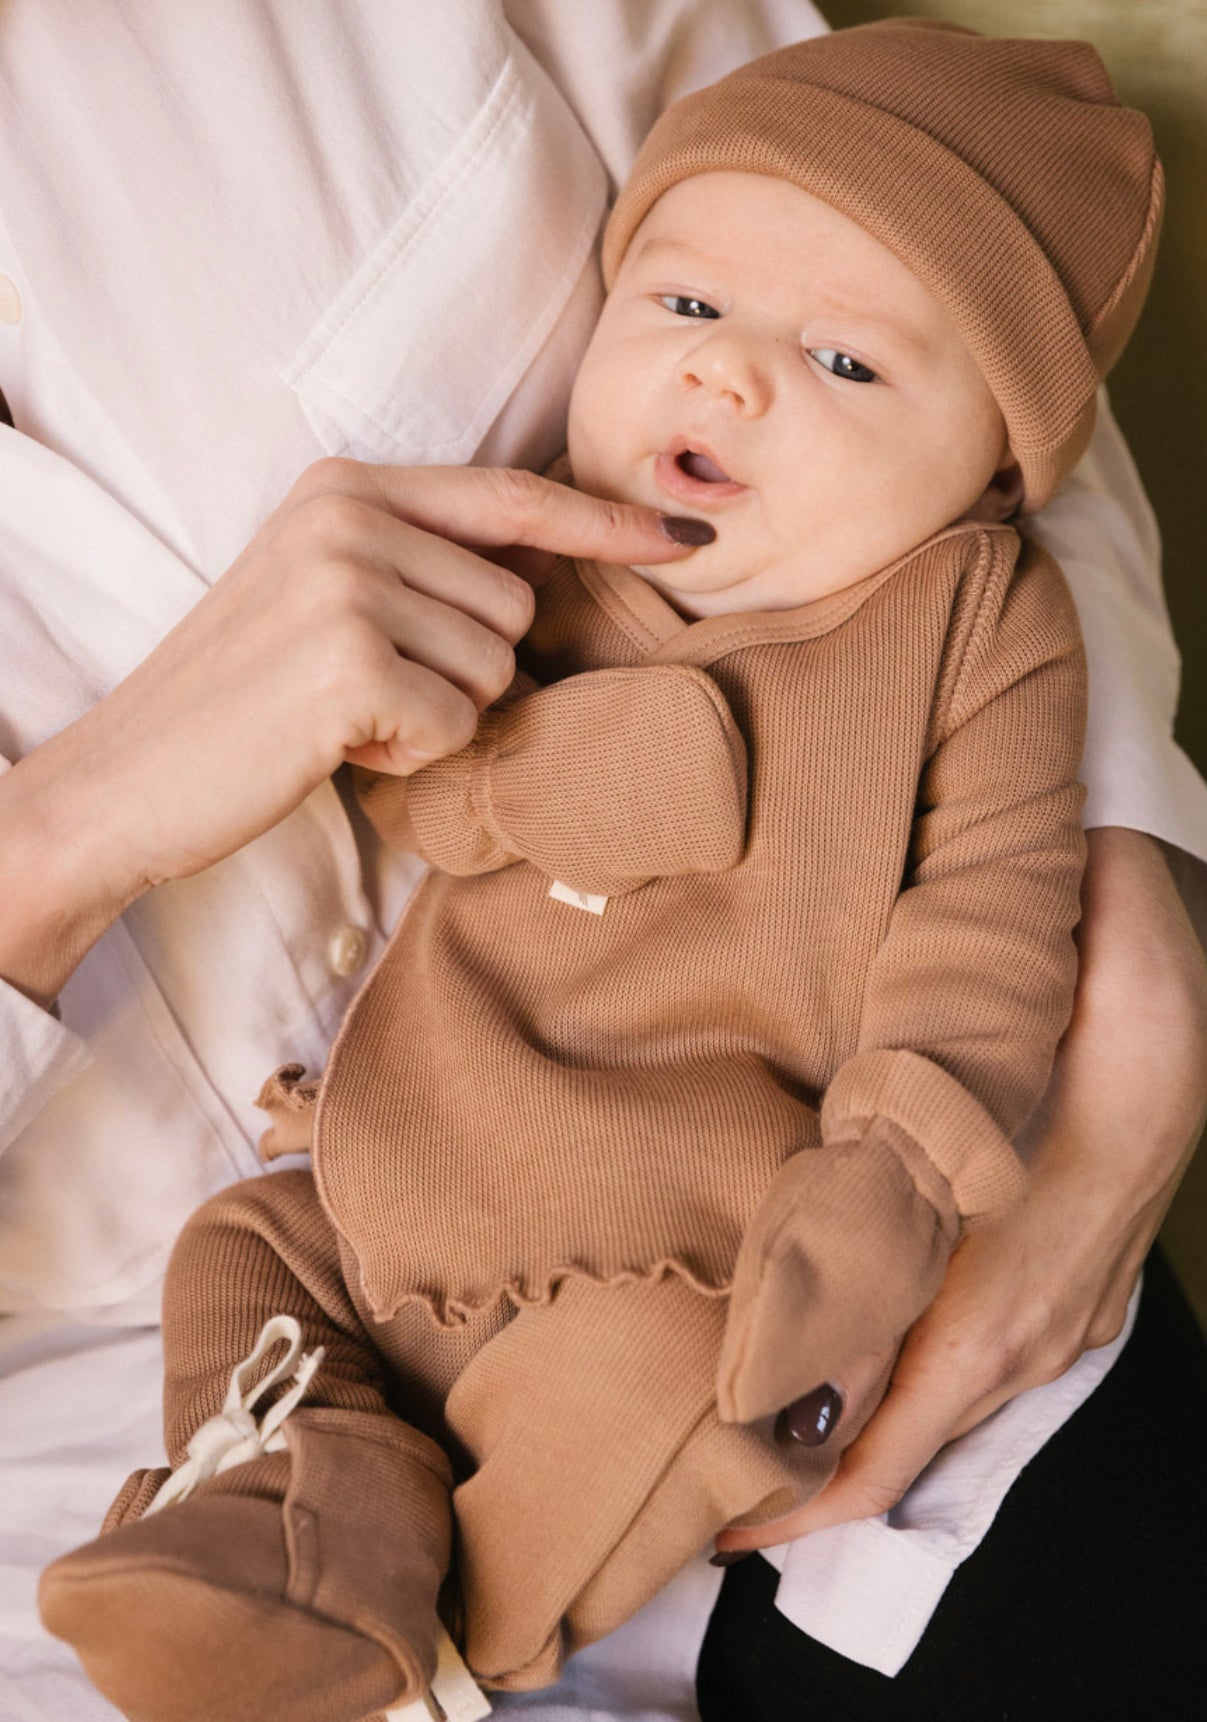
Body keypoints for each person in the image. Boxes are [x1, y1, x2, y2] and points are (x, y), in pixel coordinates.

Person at [1, 4, 1205, 1719]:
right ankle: (293, 1534)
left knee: (659, 1373)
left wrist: (1089, 1016)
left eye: (840, 362)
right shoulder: (560, 603)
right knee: (242, 1263)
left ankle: (459, 1613)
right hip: (272, 1243)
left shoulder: (964, 619)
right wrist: (63, 834)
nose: (724, 373)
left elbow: (978, 294)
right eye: (687, 308)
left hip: (737, 1211)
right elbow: (456, 795)